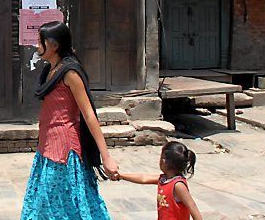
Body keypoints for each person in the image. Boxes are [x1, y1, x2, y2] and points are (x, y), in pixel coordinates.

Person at [20, 21, 117, 220]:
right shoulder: (50, 70)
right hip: (47, 145)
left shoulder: (70, 73)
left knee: (62, 204)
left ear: (54, 45)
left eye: (41, 42)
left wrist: (106, 157)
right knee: (46, 203)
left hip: (64, 149)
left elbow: (89, 115)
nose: (37, 46)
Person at [114, 141, 203, 220]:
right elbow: (144, 178)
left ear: (163, 161)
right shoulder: (164, 179)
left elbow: (192, 206)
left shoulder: (178, 185)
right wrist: (121, 176)